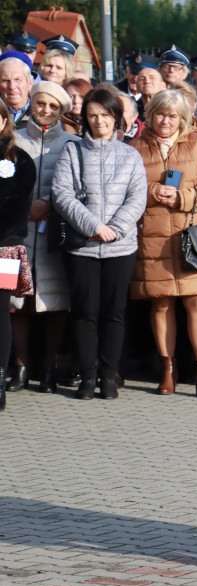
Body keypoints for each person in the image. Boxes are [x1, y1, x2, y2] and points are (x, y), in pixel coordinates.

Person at [128, 89, 197, 399]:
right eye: (160, 114)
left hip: (193, 235)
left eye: (173, 115)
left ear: (183, 118)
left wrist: (184, 197)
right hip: (153, 237)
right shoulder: (135, 148)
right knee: (161, 302)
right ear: (150, 115)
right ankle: (168, 370)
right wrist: (151, 192)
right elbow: (122, 187)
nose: (166, 121)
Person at [51, 88, 147, 400]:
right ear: (85, 119)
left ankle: (109, 376)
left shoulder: (130, 155)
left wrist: (114, 229)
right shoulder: (72, 151)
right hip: (83, 247)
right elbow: (62, 193)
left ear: (116, 118)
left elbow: (137, 197)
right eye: (92, 114)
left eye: (105, 114)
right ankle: (87, 377)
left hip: (120, 248)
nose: (98, 120)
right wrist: (93, 226)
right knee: (84, 312)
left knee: (114, 312)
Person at [9, 81, 78, 393]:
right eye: (41, 104)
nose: (46, 111)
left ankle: (50, 365)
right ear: (32, 103)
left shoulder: (71, 143)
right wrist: (26, 210)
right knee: (14, 303)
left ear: (61, 110)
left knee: (55, 302)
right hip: (13, 236)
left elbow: (78, 191)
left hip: (54, 236)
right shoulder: (12, 140)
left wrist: (51, 208)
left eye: (53, 106)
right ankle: (20, 366)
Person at [0, 100, 36, 410]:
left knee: (1, 311)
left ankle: (0, 380)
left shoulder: (19, 159)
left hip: (5, 248)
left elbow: (17, 208)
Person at [0, 57, 32, 126]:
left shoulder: (42, 114)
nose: (12, 86)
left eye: (17, 79)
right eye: (6, 80)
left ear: (30, 83)